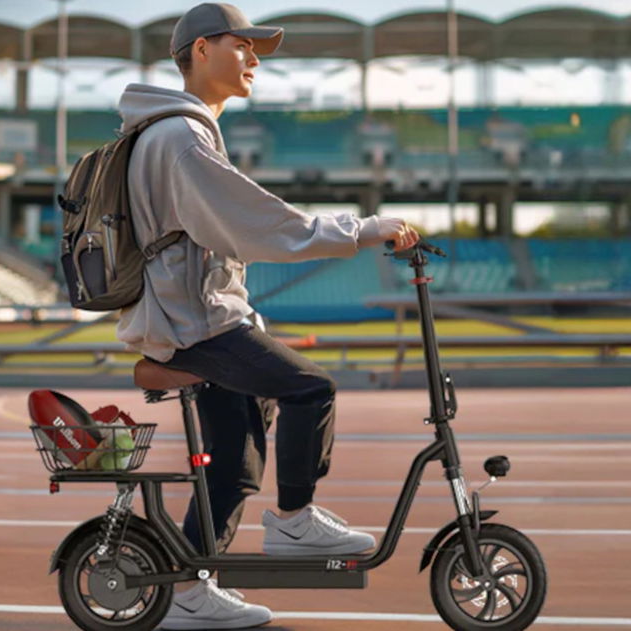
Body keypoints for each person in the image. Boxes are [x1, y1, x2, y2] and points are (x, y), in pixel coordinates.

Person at [115, 3, 419, 628]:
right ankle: (296, 522)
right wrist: (362, 228)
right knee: (312, 388)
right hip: (197, 326)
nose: (254, 59)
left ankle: (187, 592)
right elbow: (259, 224)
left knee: (236, 461)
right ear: (201, 50)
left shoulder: (182, 133)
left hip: (201, 319)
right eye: (242, 46)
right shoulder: (180, 138)